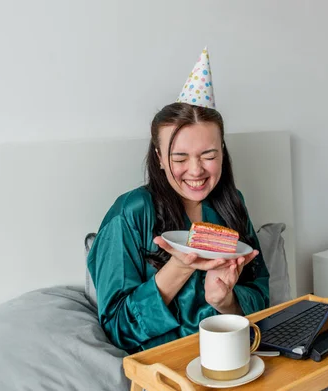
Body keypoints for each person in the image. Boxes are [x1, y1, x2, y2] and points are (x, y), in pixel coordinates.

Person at [87, 48, 270, 353]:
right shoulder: (130, 214)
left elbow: (261, 296)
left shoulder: (231, 204)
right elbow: (117, 328)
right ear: (159, 158)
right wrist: (180, 266)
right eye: (180, 157)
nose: (196, 170)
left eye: (209, 155)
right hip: (168, 370)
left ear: (222, 153)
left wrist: (225, 301)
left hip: (236, 356)